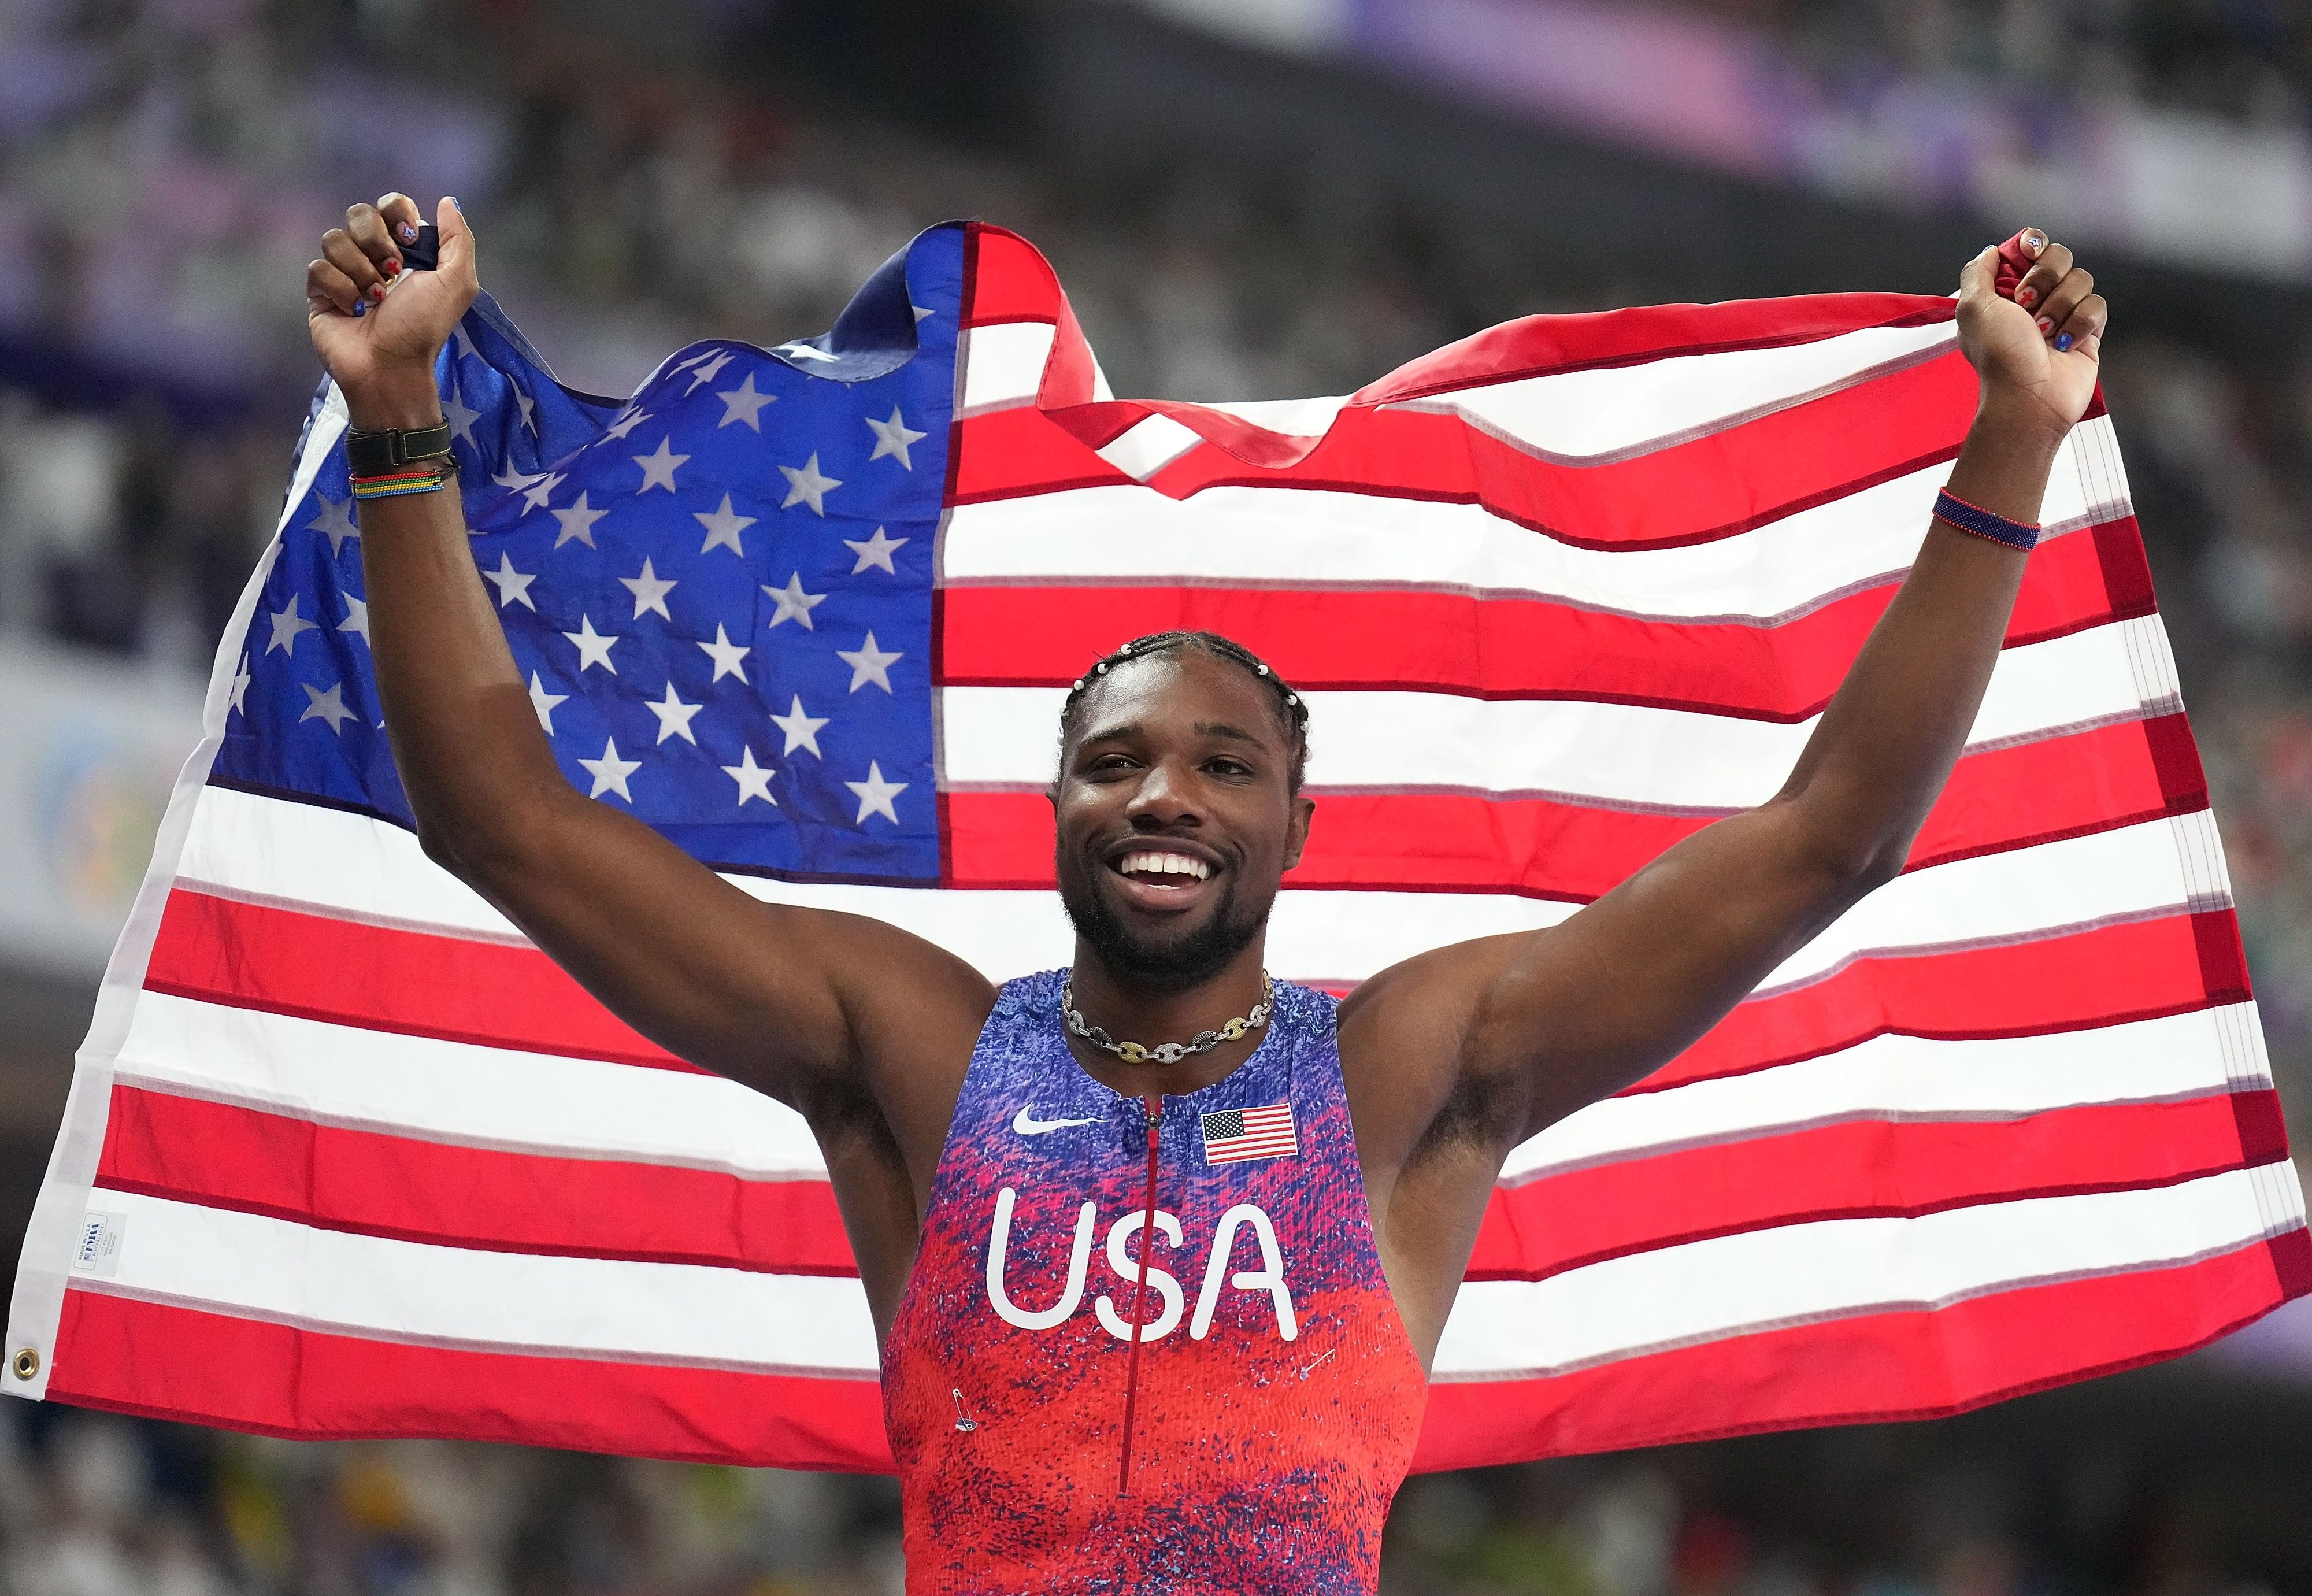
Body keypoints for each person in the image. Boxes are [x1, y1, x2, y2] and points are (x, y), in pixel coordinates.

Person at [305, 193, 2107, 1593]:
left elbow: (1828, 836)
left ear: (1296, 823)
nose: (1165, 792)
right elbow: (505, 821)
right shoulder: (915, 1051)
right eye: (1118, 760)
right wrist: (397, 414)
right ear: (1060, 808)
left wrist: (2016, 439)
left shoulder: (1409, 1073)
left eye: (1224, 764)